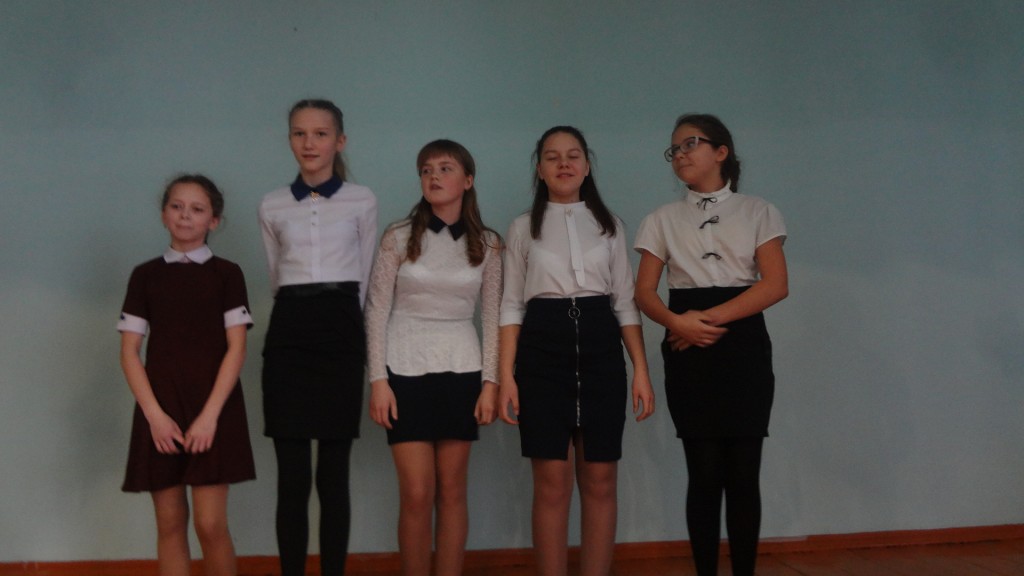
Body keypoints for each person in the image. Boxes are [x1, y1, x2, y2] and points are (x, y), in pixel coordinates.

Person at [633, 113, 789, 576]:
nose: (680, 154)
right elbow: (644, 292)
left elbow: (775, 284)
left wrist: (708, 319)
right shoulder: (661, 219)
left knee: (743, 472)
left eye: (691, 144)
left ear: (721, 152)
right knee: (702, 472)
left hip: (742, 343)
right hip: (686, 342)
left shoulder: (759, 211)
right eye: (674, 149)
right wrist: (677, 323)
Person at [498, 126, 654, 576]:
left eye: (573, 156)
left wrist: (641, 370)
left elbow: (624, 302)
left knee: (601, 478)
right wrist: (506, 375)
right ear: (540, 169)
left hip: (602, 348)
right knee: (551, 482)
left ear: (586, 167)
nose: (563, 164)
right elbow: (511, 304)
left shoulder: (610, 226)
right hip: (541, 350)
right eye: (552, 157)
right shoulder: (522, 227)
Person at [365, 139, 502, 576]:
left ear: (468, 179)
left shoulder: (489, 244)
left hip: (462, 371)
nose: (434, 176)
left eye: (445, 168)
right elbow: (376, 310)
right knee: (417, 493)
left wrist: (491, 383)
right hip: (403, 370)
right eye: (426, 170)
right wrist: (378, 381)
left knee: (452, 492)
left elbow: (494, 318)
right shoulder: (398, 236)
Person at [258, 99, 378, 576]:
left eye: (320, 134)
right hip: (289, 329)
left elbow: (365, 275)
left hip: (340, 327)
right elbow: (276, 275)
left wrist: (352, 332)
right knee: (292, 478)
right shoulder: (271, 204)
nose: (309, 143)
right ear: (290, 139)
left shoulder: (362, 199)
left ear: (339, 141)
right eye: (299, 133)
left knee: (333, 475)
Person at [118, 174, 255, 576]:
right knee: (170, 523)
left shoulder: (227, 274)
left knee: (210, 525)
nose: (185, 216)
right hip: (161, 412)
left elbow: (236, 348)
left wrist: (210, 417)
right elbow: (129, 352)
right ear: (164, 214)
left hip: (213, 410)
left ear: (213, 220)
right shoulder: (145, 276)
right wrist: (154, 416)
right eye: (177, 207)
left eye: (197, 209)